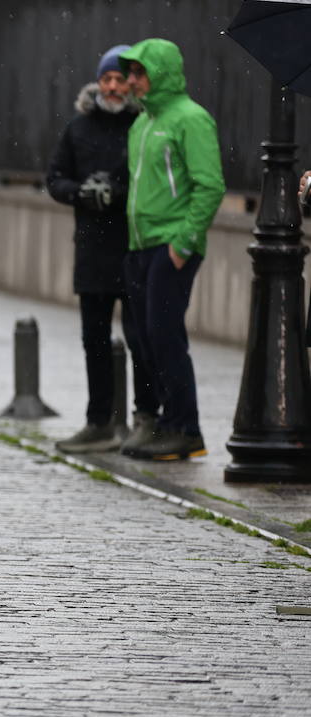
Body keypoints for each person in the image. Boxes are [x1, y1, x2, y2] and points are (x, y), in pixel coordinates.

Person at [46, 44, 159, 453]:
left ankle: (146, 416)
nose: (112, 87)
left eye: (119, 80)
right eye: (106, 79)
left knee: (139, 338)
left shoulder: (143, 125)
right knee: (93, 338)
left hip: (132, 246)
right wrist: (83, 193)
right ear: (98, 83)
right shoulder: (78, 128)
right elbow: (55, 178)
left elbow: (151, 182)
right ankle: (98, 421)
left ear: (130, 85)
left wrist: (118, 193)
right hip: (91, 250)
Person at [118, 38, 225, 461]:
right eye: (129, 73)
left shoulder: (190, 119)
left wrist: (182, 244)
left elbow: (210, 185)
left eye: (138, 72)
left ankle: (187, 428)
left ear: (159, 73)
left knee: (165, 337)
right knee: (143, 338)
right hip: (140, 245)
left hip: (171, 245)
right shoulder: (141, 124)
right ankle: (166, 422)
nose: (131, 81)